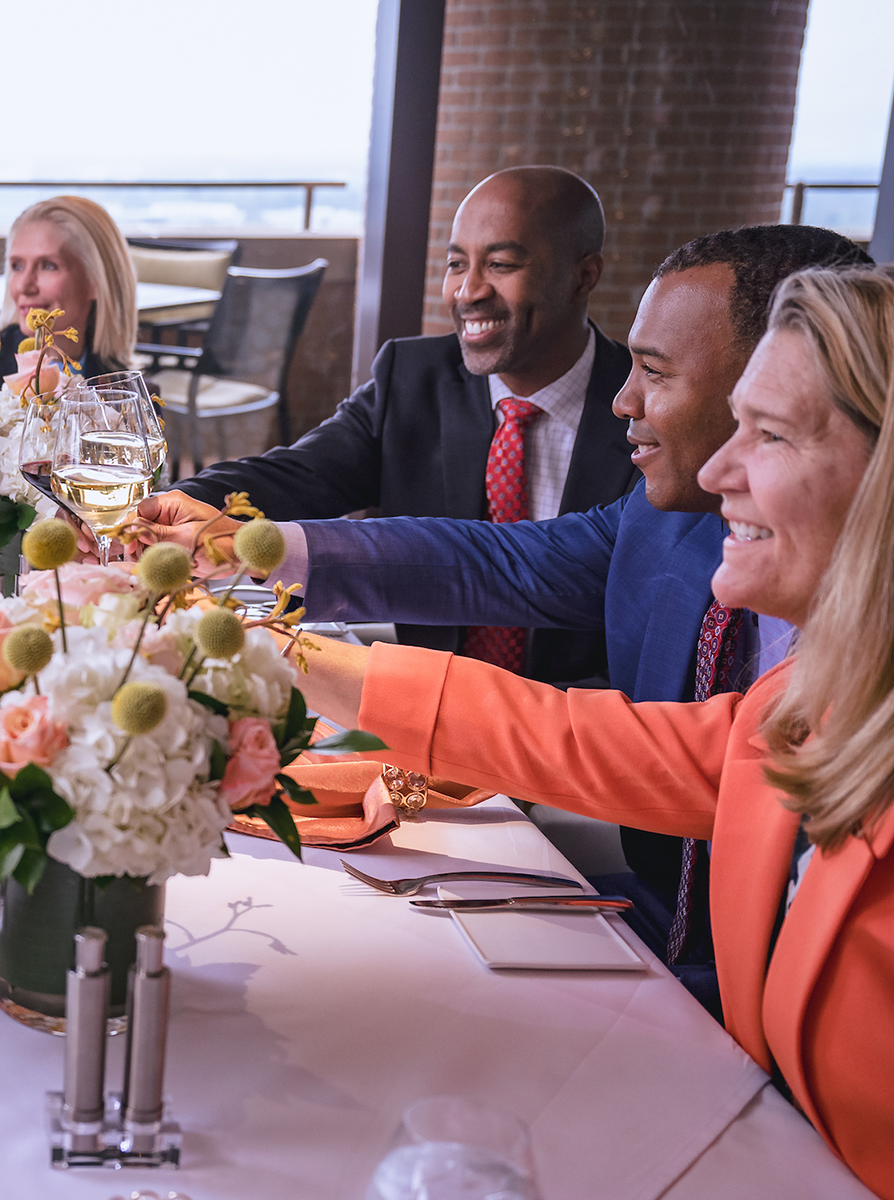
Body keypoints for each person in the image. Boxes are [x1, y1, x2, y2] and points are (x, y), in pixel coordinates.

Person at [144, 226, 874, 1013]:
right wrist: (242, 548)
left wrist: (275, 652)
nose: (624, 401)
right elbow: (493, 561)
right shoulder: (671, 517)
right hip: (659, 923)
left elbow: (663, 757)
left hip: (765, 1006)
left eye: (767, 430)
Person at [284, 265, 893, 1197]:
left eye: (768, 433)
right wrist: (282, 651)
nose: (720, 469)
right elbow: (596, 741)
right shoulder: (817, 698)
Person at [141, 166, 638, 687]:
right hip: (420, 692)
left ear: (584, 275)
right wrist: (171, 509)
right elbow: (297, 474)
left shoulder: (646, 414)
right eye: (456, 264)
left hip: (578, 710)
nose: (467, 291)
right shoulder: (414, 377)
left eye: (500, 264)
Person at [0, 195, 138, 392]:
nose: (24, 286)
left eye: (48, 265)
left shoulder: (123, 390)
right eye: (17, 266)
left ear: (96, 281)